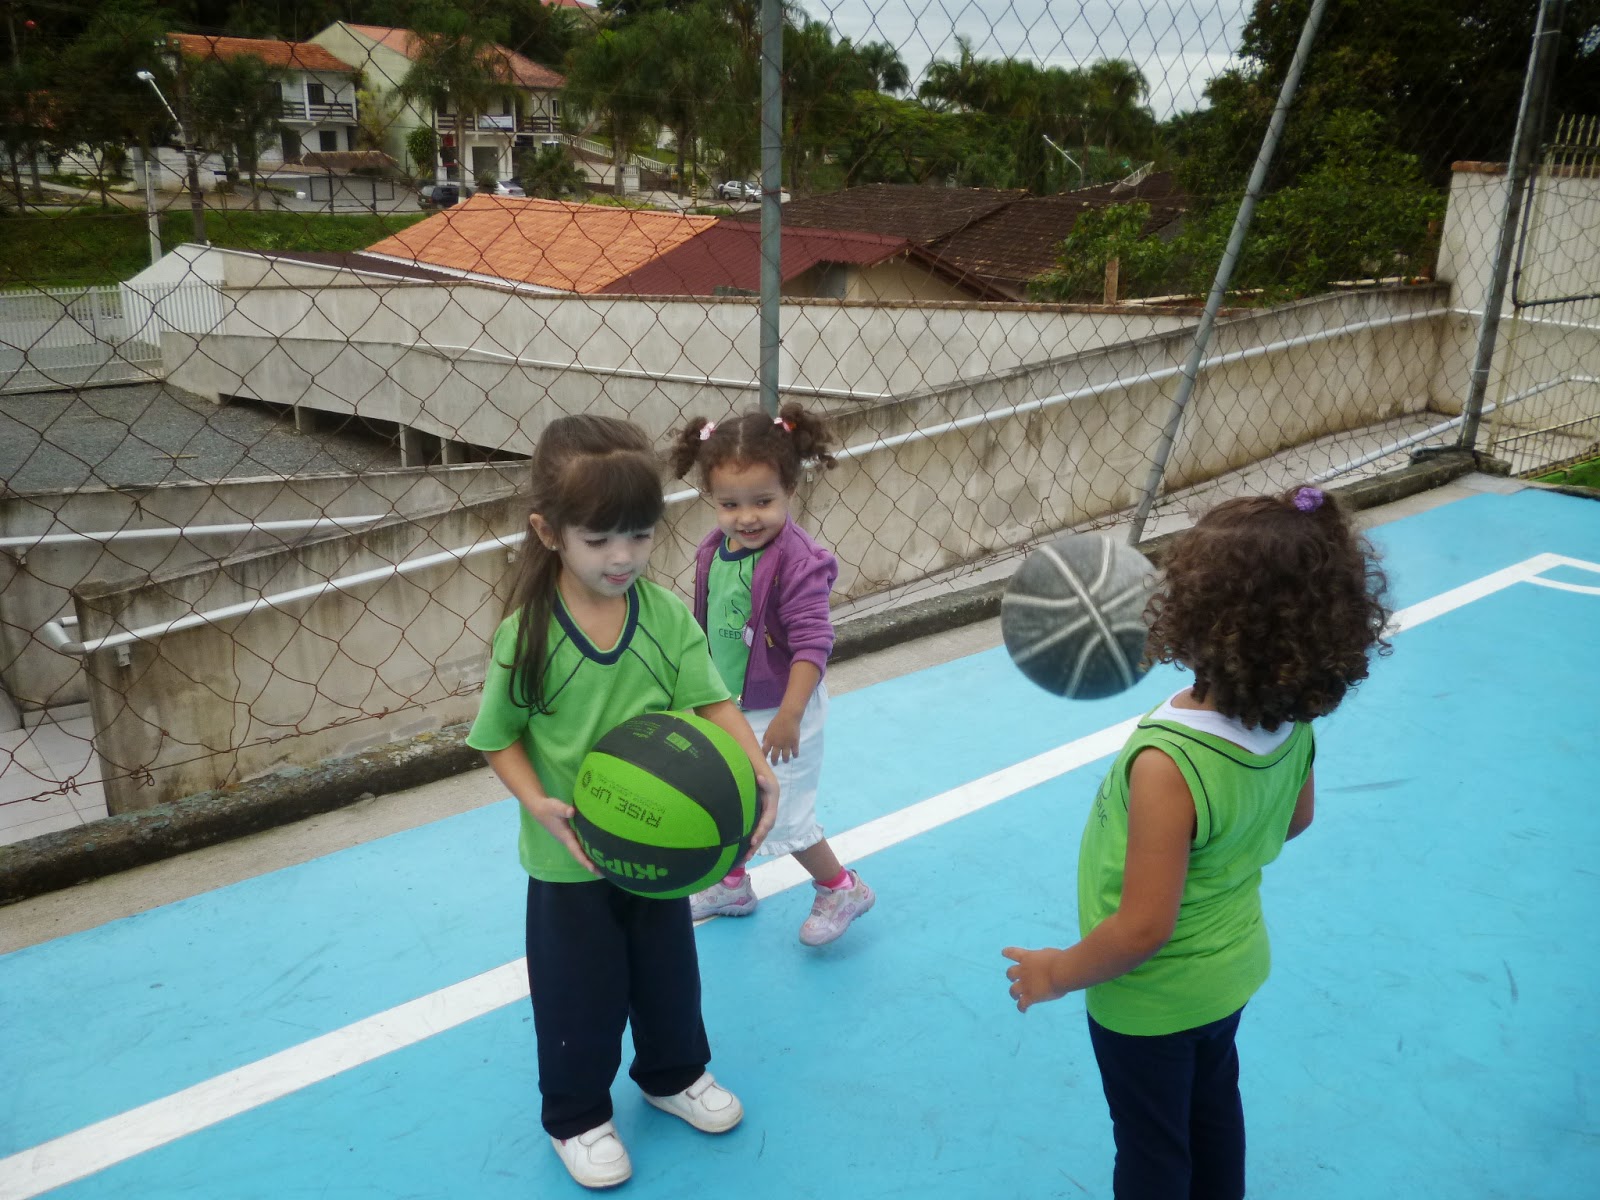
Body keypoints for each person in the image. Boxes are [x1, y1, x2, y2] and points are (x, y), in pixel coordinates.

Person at [1002, 486, 1391, 1200]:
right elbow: (1296, 819)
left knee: (1151, 1145)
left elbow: (1142, 929)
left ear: (1197, 614)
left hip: (1150, 999)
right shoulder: (1291, 722)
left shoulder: (1169, 761)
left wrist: (1057, 973)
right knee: (1212, 1110)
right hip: (1231, 970)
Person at [467, 414, 778, 1190]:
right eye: (600, 539)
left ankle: (674, 1075)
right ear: (549, 533)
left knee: (669, 973)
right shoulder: (528, 636)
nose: (623, 557)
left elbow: (711, 701)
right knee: (580, 994)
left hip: (661, 849)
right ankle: (576, 1116)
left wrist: (756, 768)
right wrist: (537, 802)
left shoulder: (663, 616)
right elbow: (497, 739)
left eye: (639, 536)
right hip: (570, 859)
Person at [667, 402, 874, 947]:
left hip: (784, 709)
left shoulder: (799, 561)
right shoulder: (714, 550)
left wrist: (790, 714)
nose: (746, 517)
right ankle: (733, 885)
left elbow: (813, 642)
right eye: (729, 504)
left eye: (763, 501)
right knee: (732, 795)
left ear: (790, 488)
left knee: (784, 812)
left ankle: (842, 888)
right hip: (730, 703)